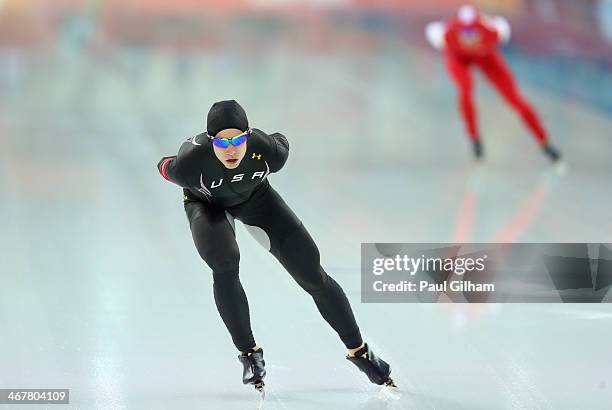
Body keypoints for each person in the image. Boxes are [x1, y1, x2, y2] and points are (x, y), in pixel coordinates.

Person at [157, 100, 395, 393]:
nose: (231, 149)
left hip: (257, 200)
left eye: (238, 140)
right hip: (206, 205)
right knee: (225, 262)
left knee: (311, 273)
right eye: (222, 142)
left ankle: (359, 351)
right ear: (210, 141)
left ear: (248, 135)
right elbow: (164, 166)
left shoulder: (268, 152)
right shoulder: (191, 163)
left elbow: (282, 140)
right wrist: (172, 163)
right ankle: (248, 352)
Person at [425, 4, 561, 162]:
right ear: (457, 31)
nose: (469, 38)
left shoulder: (494, 30)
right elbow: (434, 33)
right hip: (458, 59)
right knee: (465, 89)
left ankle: (545, 143)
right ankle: (474, 138)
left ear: (481, 29)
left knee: (515, 99)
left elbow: (500, 29)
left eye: (473, 33)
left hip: (486, 57)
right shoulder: (444, 34)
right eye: (465, 33)